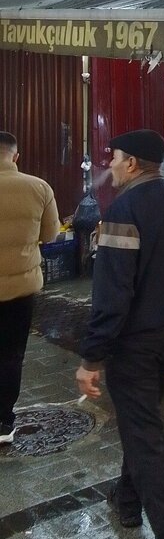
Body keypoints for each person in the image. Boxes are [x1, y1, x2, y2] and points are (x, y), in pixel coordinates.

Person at [76, 129, 164, 539]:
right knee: (140, 425)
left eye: (113, 157)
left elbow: (112, 294)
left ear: (131, 163)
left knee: (146, 439)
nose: (109, 165)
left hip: (134, 345)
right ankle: (127, 500)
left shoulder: (124, 210)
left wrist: (92, 356)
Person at [0, 131, 59, 444]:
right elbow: (51, 235)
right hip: (21, 289)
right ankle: (3, 424)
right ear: (16, 156)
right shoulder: (39, 187)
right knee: (10, 355)